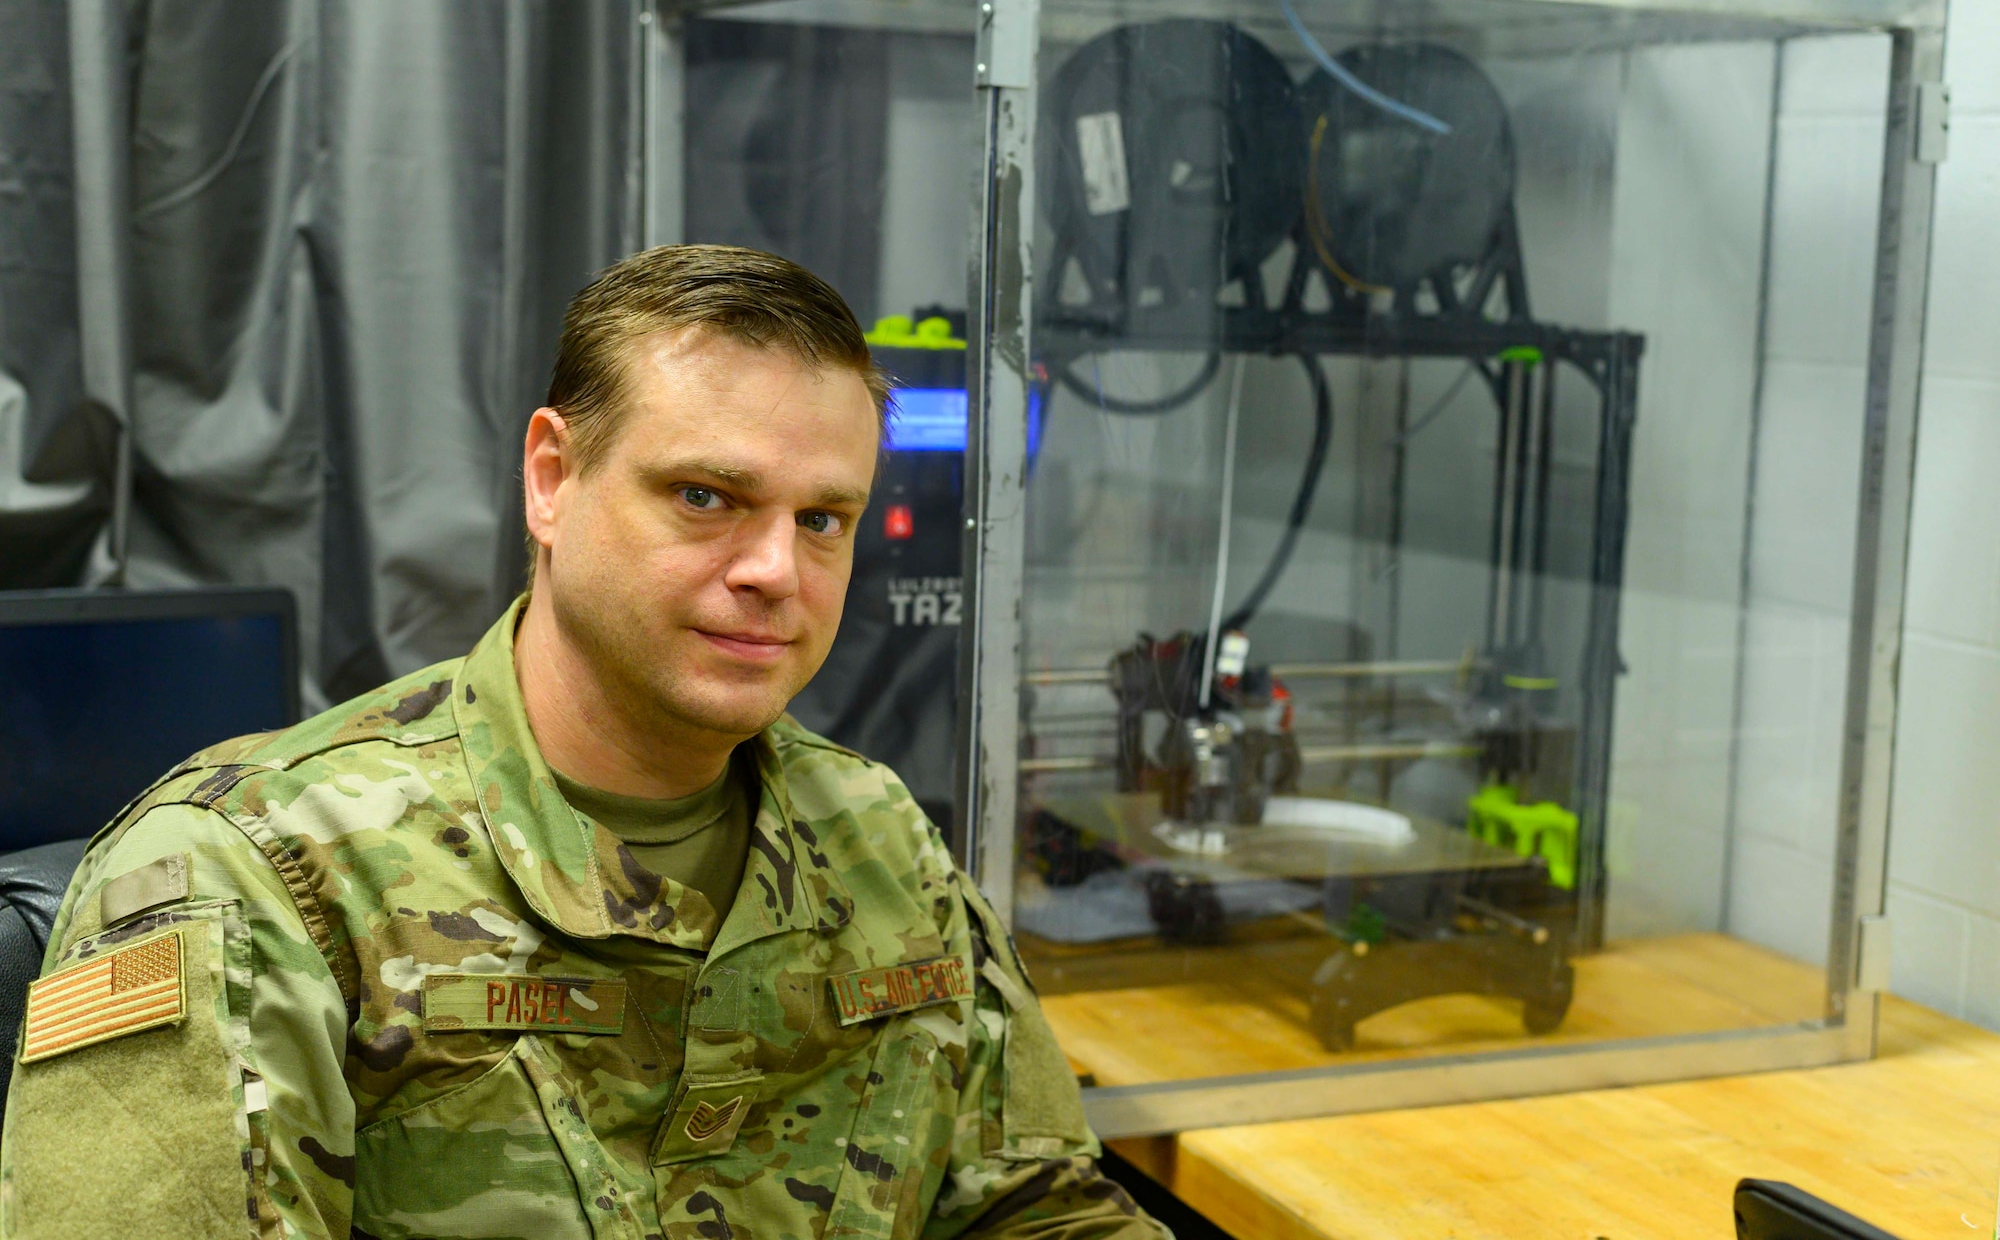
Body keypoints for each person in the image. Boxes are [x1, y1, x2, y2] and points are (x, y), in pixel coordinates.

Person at [0, 246, 1166, 1239]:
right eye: (705, 496)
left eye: (822, 519)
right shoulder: (257, 871)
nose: (775, 570)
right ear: (551, 479)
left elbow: (1037, 1207)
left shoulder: (872, 835)